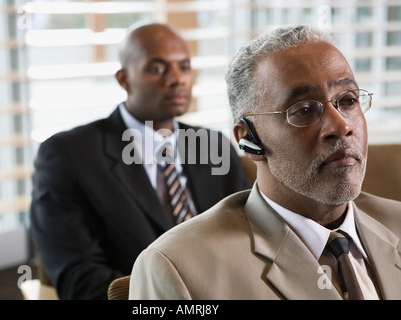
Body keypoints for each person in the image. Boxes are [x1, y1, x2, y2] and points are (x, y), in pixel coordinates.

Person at [128, 25, 401, 300]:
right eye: (304, 110)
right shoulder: (176, 268)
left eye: (348, 100)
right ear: (249, 138)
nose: (341, 126)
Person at [29, 22, 252, 300]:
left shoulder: (213, 144)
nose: (177, 79)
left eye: (184, 67)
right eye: (157, 69)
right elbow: (80, 280)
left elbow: (248, 236)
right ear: (124, 79)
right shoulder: (68, 155)